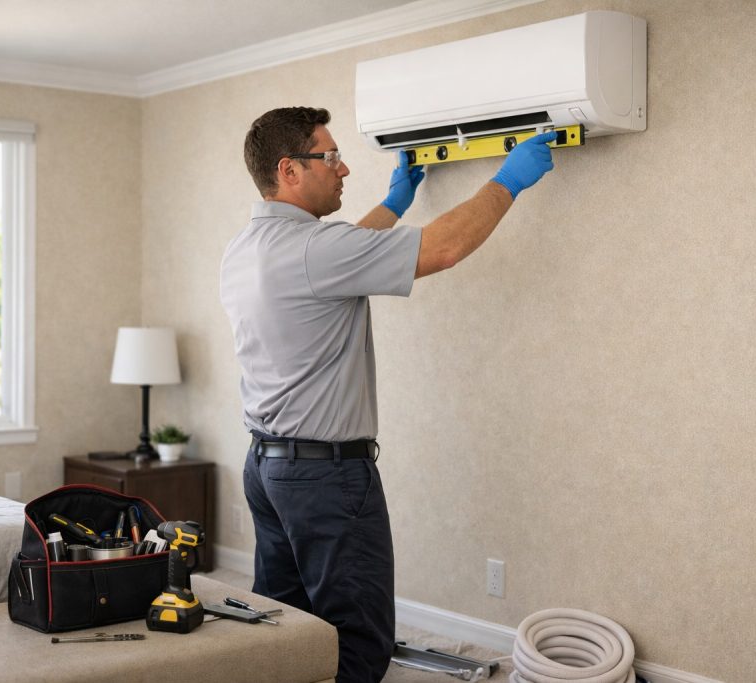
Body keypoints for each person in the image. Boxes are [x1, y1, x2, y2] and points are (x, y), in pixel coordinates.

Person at [219, 107, 556, 682]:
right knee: (358, 638)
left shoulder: (247, 247)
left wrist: (396, 203)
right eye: (329, 156)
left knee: (284, 628)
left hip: (268, 469)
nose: (344, 168)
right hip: (326, 480)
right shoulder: (313, 252)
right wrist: (508, 180)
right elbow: (443, 249)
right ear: (289, 170)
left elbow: (343, 256)